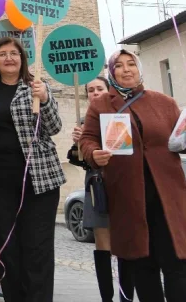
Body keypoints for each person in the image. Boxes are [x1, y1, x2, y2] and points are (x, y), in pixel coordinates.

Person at [80, 51, 186, 302]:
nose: (127, 70)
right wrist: (93, 153)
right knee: (143, 265)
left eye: (132, 64)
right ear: (111, 72)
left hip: (168, 198)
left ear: (140, 70)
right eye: (119, 66)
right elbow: (87, 140)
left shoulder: (164, 103)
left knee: (177, 264)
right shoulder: (101, 105)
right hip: (128, 198)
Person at [0, 37, 64, 302]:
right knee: (7, 250)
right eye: (2, 54)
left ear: (22, 59)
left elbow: (55, 127)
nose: (9, 58)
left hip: (39, 182)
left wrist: (44, 99)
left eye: (14, 53)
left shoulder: (36, 87)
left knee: (37, 250)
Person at [66, 77, 133, 302]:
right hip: (97, 185)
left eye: (99, 88)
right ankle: (107, 298)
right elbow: (79, 160)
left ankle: (126, 297)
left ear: (109, 90)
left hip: (124, 184)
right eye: (91, 90)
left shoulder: (123, 113)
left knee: (125, 243)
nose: (95, 93)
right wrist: (79, 144)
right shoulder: (86, 121)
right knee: (102, 242)